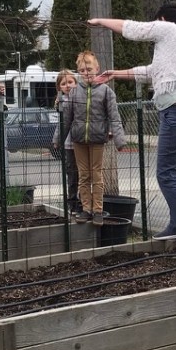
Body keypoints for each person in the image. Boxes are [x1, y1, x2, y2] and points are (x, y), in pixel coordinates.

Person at [89, 2, 176, 246]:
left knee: (166, 174)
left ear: (162, 19)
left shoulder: (167, 29)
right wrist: (115, 73)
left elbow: (133, 29)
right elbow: (150, 72)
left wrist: (100, 21)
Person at [61, 50, 126, 227]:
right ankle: (86, 209)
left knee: (96, 175)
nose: (86, 73)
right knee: (83, 175)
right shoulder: (74, 93)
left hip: (97, 139)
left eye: (89, 69)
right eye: (82, 70)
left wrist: (119, 139)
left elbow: (114, 117)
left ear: (97, 69)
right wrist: (58, 138)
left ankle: (97, 210)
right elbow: (66, 118)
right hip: (78, 140)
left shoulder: (106, 92)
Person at [52, 69, 82, 215]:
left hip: (82, 141)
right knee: (72, 174)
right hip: (69, 143)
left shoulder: (81, 98)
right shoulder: (61, 102)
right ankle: (73, 204)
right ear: (59, 87)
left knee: (84, 174)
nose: (68, 86)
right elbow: (61, 124)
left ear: (76, 83)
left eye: (70, 82)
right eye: (64, 83)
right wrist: (57, 140)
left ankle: (83, 203)